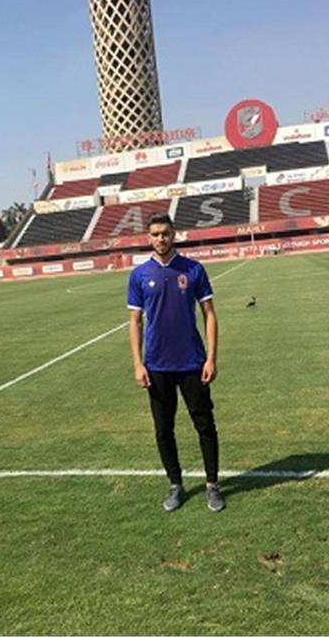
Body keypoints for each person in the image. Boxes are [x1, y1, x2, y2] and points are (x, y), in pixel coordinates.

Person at [127, 213, 224, 512]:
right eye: (156, 234)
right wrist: (138, 363)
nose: (161, 238)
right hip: (157, 366)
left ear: (174, 234)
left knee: (204, 425)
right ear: (149, 237)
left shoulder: (193, 269)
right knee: (163, 429)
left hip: (192, 363)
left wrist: (211, 358)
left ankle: (212, 485)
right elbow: (135, 321)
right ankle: (175, 484)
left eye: (165, 233)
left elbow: (209, 314)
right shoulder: (139, 275)